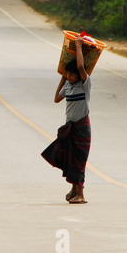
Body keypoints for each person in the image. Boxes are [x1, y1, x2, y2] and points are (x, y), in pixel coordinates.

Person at [41, 36, 92, 204]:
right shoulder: (69, 85)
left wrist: (78, 47)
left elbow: (79, 66)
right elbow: (56, 98)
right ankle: (74, 189)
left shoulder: (85, 85)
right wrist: (62, 77)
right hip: (70, 127)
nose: (70, 76)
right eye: (68, 74)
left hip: (81, 127)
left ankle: (81, 194)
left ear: (79, 75)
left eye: (72, 74)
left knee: (79, 159)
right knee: (69, 158)